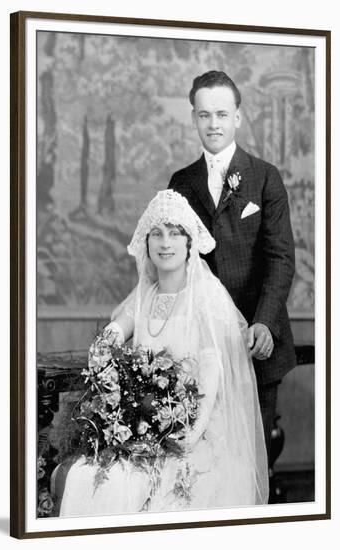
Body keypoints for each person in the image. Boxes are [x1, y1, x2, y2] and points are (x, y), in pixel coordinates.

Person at [57, 189, 268, 517]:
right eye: (157, 234)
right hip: (145, 422)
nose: (165, 243)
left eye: (174, 234)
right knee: (92, 478)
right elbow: (120, 326)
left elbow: (211, 375)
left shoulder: (205, 297)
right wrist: (108, 340)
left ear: (188, 245)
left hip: (195, 427)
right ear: (147, 243)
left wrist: (192, 430)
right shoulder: (145, 294)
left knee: (158, 490)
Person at [168, 70, 296, 463]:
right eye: (204, 115)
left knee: (253, 460)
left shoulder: (264, 178)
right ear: (193, 118)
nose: (213, 124)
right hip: (200, 343)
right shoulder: (181, 182)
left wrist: (264, 322)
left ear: (237, 117)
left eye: (222, 114)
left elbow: (281, 258)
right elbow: (174, 261)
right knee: (205, 461)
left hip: (257, 339)